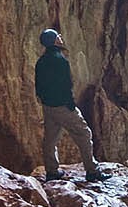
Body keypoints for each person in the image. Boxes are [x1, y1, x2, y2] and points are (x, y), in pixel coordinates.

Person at [34, 28, 108, 182]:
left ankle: (52, 171)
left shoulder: (41, 61)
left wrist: (45, 100)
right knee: (84, 134)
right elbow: (66, 85)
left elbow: (38, 86)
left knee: (50, 139)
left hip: (48, 106)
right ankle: (92, 171)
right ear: (54, 41)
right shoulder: (60, 60)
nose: (60, 36)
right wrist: (71, 105)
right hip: (62, 106)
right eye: (58, 36)